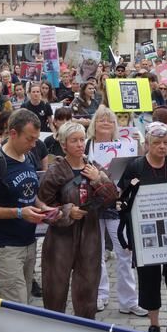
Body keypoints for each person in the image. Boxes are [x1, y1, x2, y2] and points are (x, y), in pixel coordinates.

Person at [0, 109, 54, 304]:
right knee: (16, 302)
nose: (34, 144)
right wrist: (18, 212)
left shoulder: (29, 157)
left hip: (28, 240)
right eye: (29, 139)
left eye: (36, 139)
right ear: (13, 133)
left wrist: (42, 206)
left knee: (24, 299)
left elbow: (29, 192)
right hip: (4, 245)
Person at [118, 122, 167, 332]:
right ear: (147, 144)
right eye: (157, 143)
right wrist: (130, 236)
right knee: (149, 279)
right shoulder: (136, 167)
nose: (162, 147)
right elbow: (125, 200)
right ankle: (153, 324)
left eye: (165, 143)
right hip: (146, 234)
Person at [38, 122, 118, 319]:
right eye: (74, 141)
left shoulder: (94, 167)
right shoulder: (56, 171)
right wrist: (66, 211)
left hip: (90, 233)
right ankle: (55, 326)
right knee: (55, 287)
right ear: (64, 145)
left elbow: (112, 198)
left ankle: (85, 329)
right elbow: (42, 209)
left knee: (88, 286)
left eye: (82, 139)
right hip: (60, 238)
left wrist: (98, 179)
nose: (80, 144)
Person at [86, 107, 145, 316]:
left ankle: (128, 300)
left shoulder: (124, 145)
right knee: (96, 253)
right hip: (92, 205)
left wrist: (139, 144)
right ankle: (100, 295)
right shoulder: (87, 145)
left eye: (109, 121)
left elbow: (136, 166)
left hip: (116, 204)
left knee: (124, 252)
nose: (105, 123)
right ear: (94, 124)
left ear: (115, 126)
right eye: (101, 119)